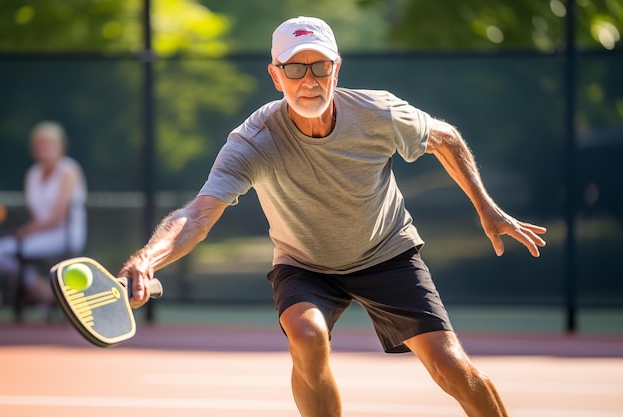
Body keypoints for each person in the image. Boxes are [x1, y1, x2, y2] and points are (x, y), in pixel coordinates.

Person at [120, 16, 546, 417]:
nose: (309, 80)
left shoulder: (379, 113)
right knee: (307, 336)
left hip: (388, 252)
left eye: (320, 66)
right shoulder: (253, 141)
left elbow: (446, 139)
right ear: (275, 75)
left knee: (449, 363)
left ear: (336, 69)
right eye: (295, 68)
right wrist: (147, 260)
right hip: (304, 265)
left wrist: (486, 208)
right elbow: (196, 216)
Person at [0, 121, 87, 308]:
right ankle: (45, 291)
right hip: (41, 235)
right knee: (3, 253)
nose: (45, 148)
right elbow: (35, 214)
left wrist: (27, 231)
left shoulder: (69, 171)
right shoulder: (32, 174)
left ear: (61, 146)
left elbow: (58, 216)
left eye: (50, 143)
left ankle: (46, 293)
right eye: (40, 144)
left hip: (66, 234)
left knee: (4, 251)